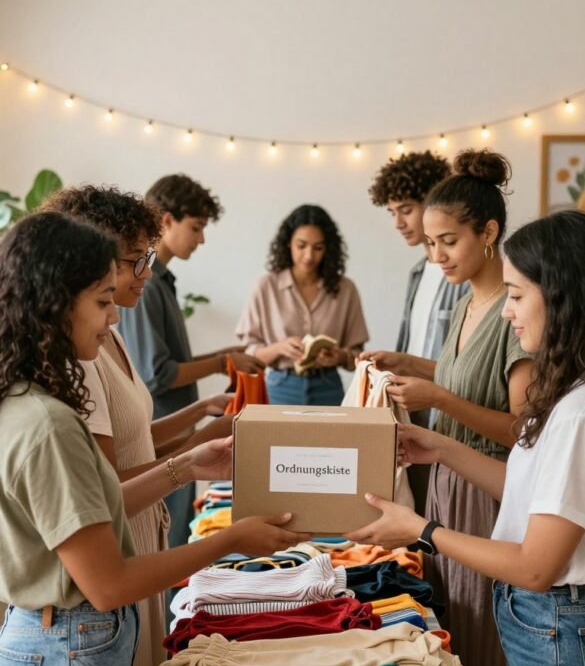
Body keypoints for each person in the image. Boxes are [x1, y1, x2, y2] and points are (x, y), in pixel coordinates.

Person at [0, 211, 308, 666]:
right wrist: (228, 541)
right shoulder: (45, 421)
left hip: (59, 645)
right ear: (55, 300)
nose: (112, 322)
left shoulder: (32, 402)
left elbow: (92, 509)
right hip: (68, 648)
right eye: (102, 302)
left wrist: (182, 464)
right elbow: (106, 580)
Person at [347, 209, 585, 666]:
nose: (505, 311)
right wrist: (440, 450)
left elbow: (538, 564)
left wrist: (421, 529)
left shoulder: (576, 411)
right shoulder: (564, 395)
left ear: (563, 294)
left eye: (516, 294)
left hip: (554, 632)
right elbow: (524, 497)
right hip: (543, 632)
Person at [42, 183, 234, 666]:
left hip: (141, 532)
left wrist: (199, 419)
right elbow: (106, 484)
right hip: (117, 545)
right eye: (137, 259)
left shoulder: (110, 331)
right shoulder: (83, 351)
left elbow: (135, 437)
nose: (148, 271)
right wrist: (190, 462)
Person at [363, 149, 533, 666]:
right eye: (431, 243)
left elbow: (520, 430)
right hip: (451, 482)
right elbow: (465, 376)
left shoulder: (516, 317)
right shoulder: (468, 302)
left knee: (487, 650)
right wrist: (415, 368)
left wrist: (439, 399)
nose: (437, 256)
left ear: (489, 234)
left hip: (491, 493)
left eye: (449, 241)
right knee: (454, 635)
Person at [118, 173, 262, 548]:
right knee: (168, 544)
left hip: (174, 435)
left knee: (178, 535)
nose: (202, 239)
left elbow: (168, 361)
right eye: (196, 227)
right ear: (166, 221)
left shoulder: (160, 282)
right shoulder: (146, 287)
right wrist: (221, 364)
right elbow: (159, 373)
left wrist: (225, 357)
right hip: (163, 437)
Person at [237, 204, 369, 405]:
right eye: (301, 246)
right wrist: (279, 348)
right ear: (288, 243)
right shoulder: (266, 287)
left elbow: (360, 355)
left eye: (318, 248)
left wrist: (339, 356)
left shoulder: (345, 289)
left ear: (328, 248)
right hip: (279, 388)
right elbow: (248, 356)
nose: (309, 256)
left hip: (329, 388)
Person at [369, 149, 468, 366]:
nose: (398, 223)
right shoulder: (417, 273)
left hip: (445, 399)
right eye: (392, 212)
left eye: (406, 210)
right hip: (410, 398)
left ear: (434, 203)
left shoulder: (465, 276)